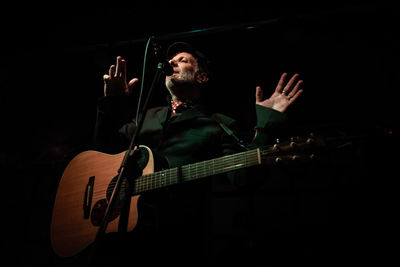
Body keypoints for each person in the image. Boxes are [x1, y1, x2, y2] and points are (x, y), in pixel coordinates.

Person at [92, 41, 303, 266]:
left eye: (182, 60)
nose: (172, 61)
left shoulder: (218, 125)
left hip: (176, 242)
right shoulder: (145, 117)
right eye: (171, 60)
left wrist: (266, 125)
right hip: (122, 239)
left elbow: (245, 179)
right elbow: (103, 151)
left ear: (201, 77)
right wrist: (111, 103)